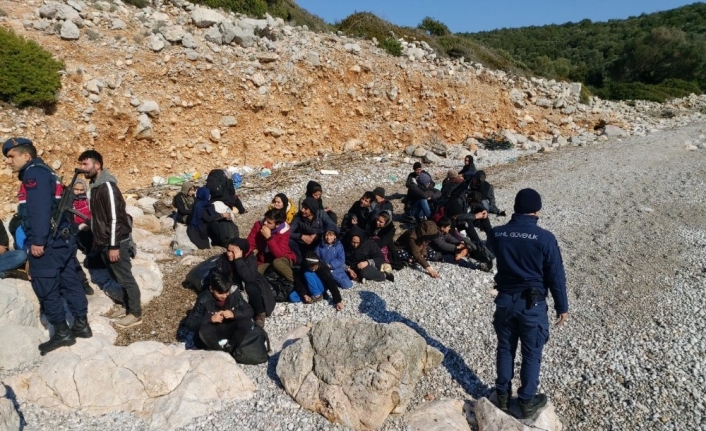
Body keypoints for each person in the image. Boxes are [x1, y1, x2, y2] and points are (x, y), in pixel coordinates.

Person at [4, 137, 91, 355]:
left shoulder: (33, 173)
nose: (8, 161)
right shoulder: (47, 171)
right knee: (70, 280)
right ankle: (81, 324)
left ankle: (62, 333)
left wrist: (38, 242)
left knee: (46, 286)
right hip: (62, 240)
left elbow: (39, 210)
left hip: (47, 242)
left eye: (11, 156)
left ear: (26, 155)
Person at [487, 188, 569, 418]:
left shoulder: (498, 233)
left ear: (515, 208)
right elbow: (556, 275)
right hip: (532, 304)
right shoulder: (545, 238)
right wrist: (562, 306)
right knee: (532, 353)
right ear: (537, 210)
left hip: (504, 300)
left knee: (505, 348)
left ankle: (502, 396)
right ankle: (526, 401)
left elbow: (488, 251)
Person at [78, 150, 142, 329]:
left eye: (86, 164)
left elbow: (115, 218)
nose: (83, 168)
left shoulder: (107, 187)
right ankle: (128, 306)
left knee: (125, 278)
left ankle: (135, 313)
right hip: (105, 242)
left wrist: (113, 245)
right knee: (117, 276)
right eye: (82, 164)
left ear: (97, 165)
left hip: (116, 243)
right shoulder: (96, 186)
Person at [183, 271, 254, 352]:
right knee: (204, 331)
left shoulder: (234, 294)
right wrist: (210, 318)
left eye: (226, 292)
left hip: (230, 327)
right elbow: (190, 324)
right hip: (214, 331)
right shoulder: (203, 299)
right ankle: (219, 351)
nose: (224, 296)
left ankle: (230, 346)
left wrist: (233, 314)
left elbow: (249, 311)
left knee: (247, 322)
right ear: (211, 289)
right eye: (220, 293)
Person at [214, 238, 275, 328]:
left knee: (251, 287)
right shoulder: (223, 260)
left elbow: (248, 278)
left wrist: (238, 260)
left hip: (252, 288)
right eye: (228, 250)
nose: (229, 254)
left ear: (241, 251)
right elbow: (218, 276)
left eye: (233, 251)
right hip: (234, 288)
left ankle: (260, 313)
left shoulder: (250, 259)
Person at [247, 208, 296, 282]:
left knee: (277, 263)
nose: (265, 223)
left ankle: (296, 282)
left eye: (269, 222)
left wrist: (269, 238)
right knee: (253, 273)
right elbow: (250, 243)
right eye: (265, 220)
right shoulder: (258, 225)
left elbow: (279, 254)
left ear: (277, 225)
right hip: (265, 260)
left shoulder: (283, 231)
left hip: (282, 258)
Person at [289, 197, 338, 264]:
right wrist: (301, 236)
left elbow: (332, 226)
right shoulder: (298, 217)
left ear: (312, 210)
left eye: (306, 208)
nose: (302, 210)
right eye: (302, 207)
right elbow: (288, 232)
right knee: (290, 241)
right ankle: (300, 260)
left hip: (320, 242)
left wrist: (318, 235)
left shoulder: (321, 214)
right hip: (305, 243)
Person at [70, 178, 95, 295]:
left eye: (81, 189)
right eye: (76, 189)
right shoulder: (69, 201)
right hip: (75, 230)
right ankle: (83, 281)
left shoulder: (88, 200)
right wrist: (79, 227)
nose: (79, 192)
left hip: (88, 228)